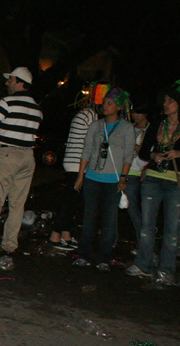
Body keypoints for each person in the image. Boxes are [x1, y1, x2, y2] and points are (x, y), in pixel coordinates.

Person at [0, 67, 42, 254]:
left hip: (6, 156)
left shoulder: (8, 102)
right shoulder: (36, 107)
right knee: (17, 203)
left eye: (10, 80)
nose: (6, 83)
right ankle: (10, 243)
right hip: (27, 157)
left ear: (20, 82)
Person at [72, 88, 134, 272]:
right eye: (104, 102)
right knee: (89, 217)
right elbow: (87, 151)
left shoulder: (126, 128)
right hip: (92, 177)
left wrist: (123, 178)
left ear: (118, 107)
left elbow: (128, 156)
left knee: (109, 220)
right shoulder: (95, 126)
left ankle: (104, 258)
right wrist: (80, 175)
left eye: (109, 103)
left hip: (113, 180)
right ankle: (84, 255)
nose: (104, 106)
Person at [126, 86, 180, 288]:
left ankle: (166, 271)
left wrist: (178, 154)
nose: (165, 104)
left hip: (175, 181)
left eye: (169, 101)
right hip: (152, 179)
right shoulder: (157, 124)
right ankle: (144, 265)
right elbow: (143, 152)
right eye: (164, 101)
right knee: (147, 226)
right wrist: (153, 155)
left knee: (172, 229)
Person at [49, 96, 98, 250]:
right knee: (71, 201)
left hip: (72, 160)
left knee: (71, 199)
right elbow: (93, 140)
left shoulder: (82, 114)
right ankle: (55, 234)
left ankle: (65, 234)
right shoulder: (91, 115)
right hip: (78, 162)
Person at [123, 103, 150, 243]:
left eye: (138, 113)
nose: (135, 116)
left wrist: (132, 143)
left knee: (135, 209)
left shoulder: (151, 129)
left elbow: (147, 153)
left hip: (140, 172)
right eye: (133, 113)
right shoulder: (130, 127)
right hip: (125, 171)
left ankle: (144, 244)